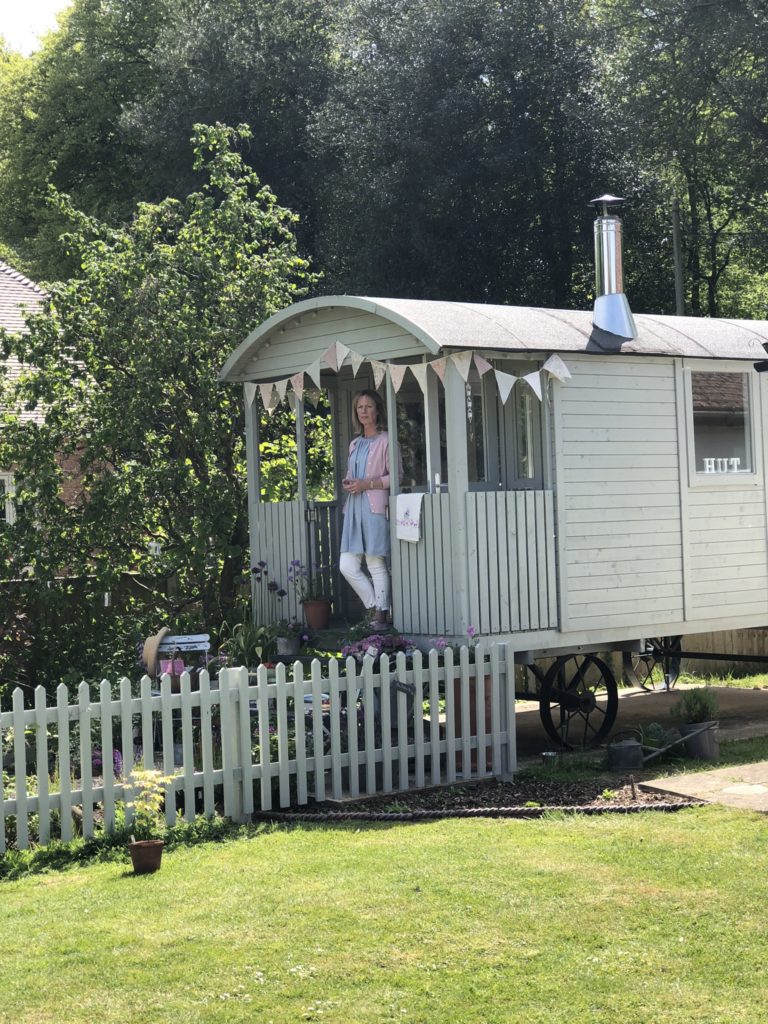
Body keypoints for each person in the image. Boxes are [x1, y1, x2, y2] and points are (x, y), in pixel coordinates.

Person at [340, 389, 396, 626]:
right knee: (347, 565)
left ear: (378, 410)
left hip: (374, 508)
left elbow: (395, 477)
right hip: (353, 508)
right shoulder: (355, 443)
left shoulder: (386, 440)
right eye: (360, 407)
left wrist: (367, 484)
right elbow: (353, 474)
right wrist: (350, 482)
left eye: (368, 406)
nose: (363, 411)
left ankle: (381, 614)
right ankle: (375, 605)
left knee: (374, 562)